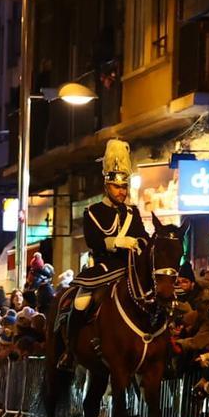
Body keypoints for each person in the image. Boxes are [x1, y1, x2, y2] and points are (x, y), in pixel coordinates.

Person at [56, 139, 147, 370]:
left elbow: (144, 236)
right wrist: (117, 242)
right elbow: (93, 241)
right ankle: (70, 351)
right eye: (118, 187)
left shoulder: (133, 213)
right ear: (107, 186)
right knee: (81, 301)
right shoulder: (93, 211)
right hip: (105, 267)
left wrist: (139, 242)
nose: (122, 192)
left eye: (125, 187)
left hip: (130, 268)